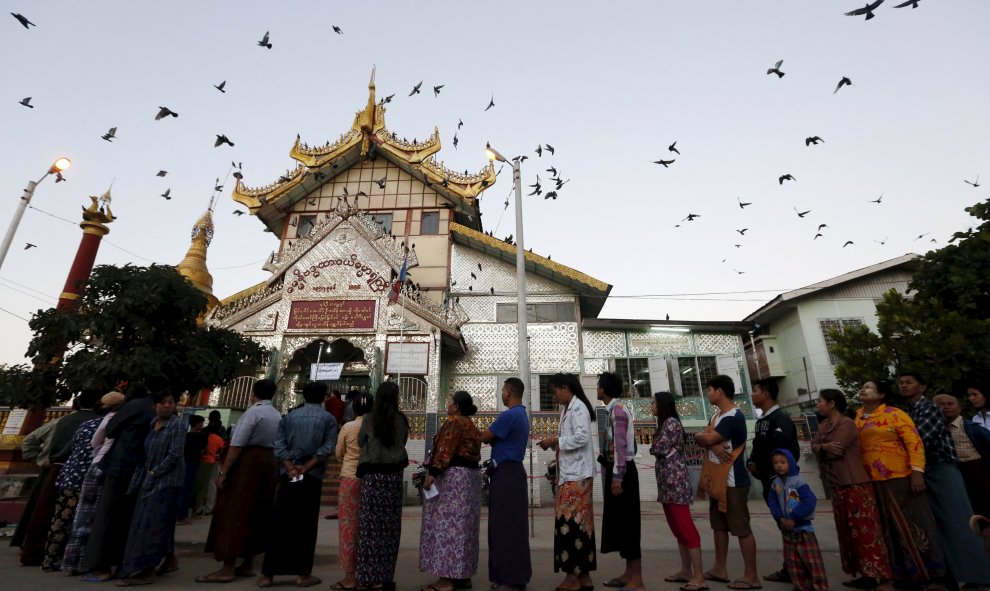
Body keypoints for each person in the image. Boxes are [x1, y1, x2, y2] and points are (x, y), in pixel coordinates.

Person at [900, 372, 990, 586]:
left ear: (922, 387)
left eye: (909, 382)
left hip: (940, 469)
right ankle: (953, 574)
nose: (903, 386)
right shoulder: (906, 412)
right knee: (935, 526)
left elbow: (918, 439)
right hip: (921, 468)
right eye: (901, 382)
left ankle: (978, 575)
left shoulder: (929, 409)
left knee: (959, 522)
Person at [855, 379, 945, 588]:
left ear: (881, 395)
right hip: (871, 480)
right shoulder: (857, 416)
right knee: (887, 529)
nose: (863, 389)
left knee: (915, 525)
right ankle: (900, 575)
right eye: (863, 386)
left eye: (868, 387)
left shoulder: (895, 414)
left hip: (900, 477)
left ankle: (932, 575)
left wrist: (917, 472)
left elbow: (914, 443)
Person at [198, 379, 280, 583]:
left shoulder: (253, 412)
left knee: (235, 510)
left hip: (247, 464)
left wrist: (224, 472)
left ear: (254, 394)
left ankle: (228, 567)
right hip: (269, 464)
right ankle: (248, 563)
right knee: (258, 511)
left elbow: (237, 445)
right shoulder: (277, 415)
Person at [810, 389, 892, 590]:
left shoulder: (846, 424)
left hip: (854, 483)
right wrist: (824, 447)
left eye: (820, 401)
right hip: (837, 484)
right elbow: (815, 446)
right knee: (848, 531)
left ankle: (879, 574)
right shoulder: (824, 425)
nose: (818, 405)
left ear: (831, 403)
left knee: (864, 530)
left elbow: (837, 451)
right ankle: (865, 574)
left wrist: (823, 447)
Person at [259, 381, 338, 588]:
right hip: (311, 476)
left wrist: (290, 465)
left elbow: (279, 444)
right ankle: (302, 574)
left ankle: (268, 574)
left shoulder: (289, 416)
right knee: (306, 524)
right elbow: (326, 448)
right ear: (324, 397)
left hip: (289, 473)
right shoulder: (328, 419)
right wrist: (306, 467)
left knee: (279, 521)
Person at [82, 382, 156, 581]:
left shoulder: (134, 406)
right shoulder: (161, 409)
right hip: (144, 469)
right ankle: (126, 563)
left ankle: (100, 566)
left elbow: (111, 430)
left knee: (107, 516)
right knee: (131, 517)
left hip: (120, 466)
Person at [19, 392, 101, 566]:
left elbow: (30, 441)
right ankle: (72, 558)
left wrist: (41, 459)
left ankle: (42, 554)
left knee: (49, 513)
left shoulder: (62, 421)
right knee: (78, 517)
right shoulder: (98, 423)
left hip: (56, 469)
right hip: (85, 473)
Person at [694, 375, 759, 591]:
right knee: (719, 526)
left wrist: (709, 440)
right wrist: (710, 443)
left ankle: (751, 575)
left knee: (741, 527)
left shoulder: (733, 417)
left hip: (733, 481)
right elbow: (701, 437)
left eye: (710, 390)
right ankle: (720, 569)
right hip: (717, 480)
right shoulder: (716, 417)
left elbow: (709, 438)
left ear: (720, 391)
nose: (708, 394)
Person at [117, 388, 186, 586]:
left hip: (166, 481)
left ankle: (146, 569)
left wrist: (155, 472)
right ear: (154, 406)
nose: (167, 405)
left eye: (171, 402)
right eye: (163, 402)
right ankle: (169, 559)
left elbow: (175, 454)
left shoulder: (177, 426)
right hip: (148, 480)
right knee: (158, 522)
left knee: (152, 524)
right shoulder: (151, 424)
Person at [538, 373, 597, 591]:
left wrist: (556, 440)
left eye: (555, 392)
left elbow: (581, 438)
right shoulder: (567, 409)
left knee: (571, 525)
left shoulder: (578, 407)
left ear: (565, 388)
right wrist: (553, 444)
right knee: (582, 526)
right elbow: (571, 439)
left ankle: (572, 577)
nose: (554, 397)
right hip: (573, 473)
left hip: (576, 476)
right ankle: (584, 577)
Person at [419, 391, 483, 591]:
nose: (447, 404)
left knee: (447, 527)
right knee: (465, 528)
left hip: (454, 480)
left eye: (449, 401)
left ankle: (446, 579)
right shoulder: (470, 424)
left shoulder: (454, 422)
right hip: (470, 480)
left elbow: (445, 449)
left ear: (455, 406)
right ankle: (462, 575)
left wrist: (433, 473)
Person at [62, 391, 126, 575]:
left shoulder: (95, 422)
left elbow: (93, 442)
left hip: (93, 465)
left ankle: (72, 562)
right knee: (98, 515)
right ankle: (88, 561)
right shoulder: (118, 419)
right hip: (107, 466)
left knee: (84, 515)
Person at [356, 381, 410, 591]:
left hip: (373, 478)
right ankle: (384, 577)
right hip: (393, 477)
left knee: (370, 529)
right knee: (389, 528)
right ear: (396, 398)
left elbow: (361, 442)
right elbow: (402, 442)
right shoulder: (401, 420)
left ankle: (366, 577)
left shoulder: (369, 419)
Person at [650, 391, 706, 591]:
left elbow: (658, 448)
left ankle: (699, 576)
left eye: (654, 402)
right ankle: (686, 571)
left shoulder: (671, 423)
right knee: (678, 529)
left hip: (675, 483)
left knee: (685, 526)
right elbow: (657, 447)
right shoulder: (664, 424)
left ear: (662, 405)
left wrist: (655, 446)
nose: (652, 406)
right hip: (667, 483)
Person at [480, 378, 532, 591]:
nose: (501, 393)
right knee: (513, 527)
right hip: (513, 473)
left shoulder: (509, 415)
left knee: (505, 528)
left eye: (503, 390)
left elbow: (484, 436)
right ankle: (512, 577)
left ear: (509, 392)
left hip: (506, 475)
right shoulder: (521, 415)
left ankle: (510, 580)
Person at [746, 378, 799, 585]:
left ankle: (799, 567)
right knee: (782, 523)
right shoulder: (762, 421)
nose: (752, 394)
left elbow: (783, 450)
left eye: (756, 390)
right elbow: (758, 446)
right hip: (769, 481)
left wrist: (773, 469)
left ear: (766, 394)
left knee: (791, 523)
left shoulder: (781, 419)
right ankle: (791, 567)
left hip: (782, 482)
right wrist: (752, 462)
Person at [595, 372, 644, 591]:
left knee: (630, 525)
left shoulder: (618, 411)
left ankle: (638, 580)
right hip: (619, 471)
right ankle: (628, 573)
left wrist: (617, 477)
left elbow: (621, 446)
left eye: (598, 386)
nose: (596, 389)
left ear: (603, 389)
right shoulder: (612, 410)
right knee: (623, 526)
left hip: (623, 474)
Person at [932, 394, 990, 549]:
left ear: (959, 407)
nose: (946, 407)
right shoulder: (934, 430)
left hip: (978, 473)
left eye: (951, 403)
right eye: (941, 404)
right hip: (954, 475)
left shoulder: (971, 428)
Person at [766, 449, 827, 591]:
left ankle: (819, 587)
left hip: (804, 529)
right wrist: (780, 517)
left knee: (812, 562)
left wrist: (794, 517)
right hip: (787, 529)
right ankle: (800, 586)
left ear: (791, 463)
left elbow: (810, 502)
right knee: (793, 562)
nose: (779, 466)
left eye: (783, 462)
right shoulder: (776, 484)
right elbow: (772, 501)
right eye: (775, 463)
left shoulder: (799, 481)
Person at [334, 391, 374, 591]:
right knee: (370, 528)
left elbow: (339, 453)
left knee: (349, 527)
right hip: (372, 481)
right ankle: (370, 573)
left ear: (354, 408)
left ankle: (350, 576)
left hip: (350, 479)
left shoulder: (348, 427)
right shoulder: (377, 427)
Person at [176, 415, 207, 525]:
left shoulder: (186, 435)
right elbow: (203, 451)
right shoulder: (201, 437)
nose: (202, 425)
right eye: (201, 423)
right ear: (198, 424)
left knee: (181, 489)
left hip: (183, 463)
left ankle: (178, 514)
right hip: (193, 464)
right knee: (187, 490)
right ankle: (182, 516)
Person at [193, 415, 226, 516]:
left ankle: (197, 505)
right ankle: (208, 506)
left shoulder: (203, 435)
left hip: (201, 461)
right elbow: (221, 452)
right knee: (211, 484)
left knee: (200, 484)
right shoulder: (219, 438)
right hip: (212, 462)